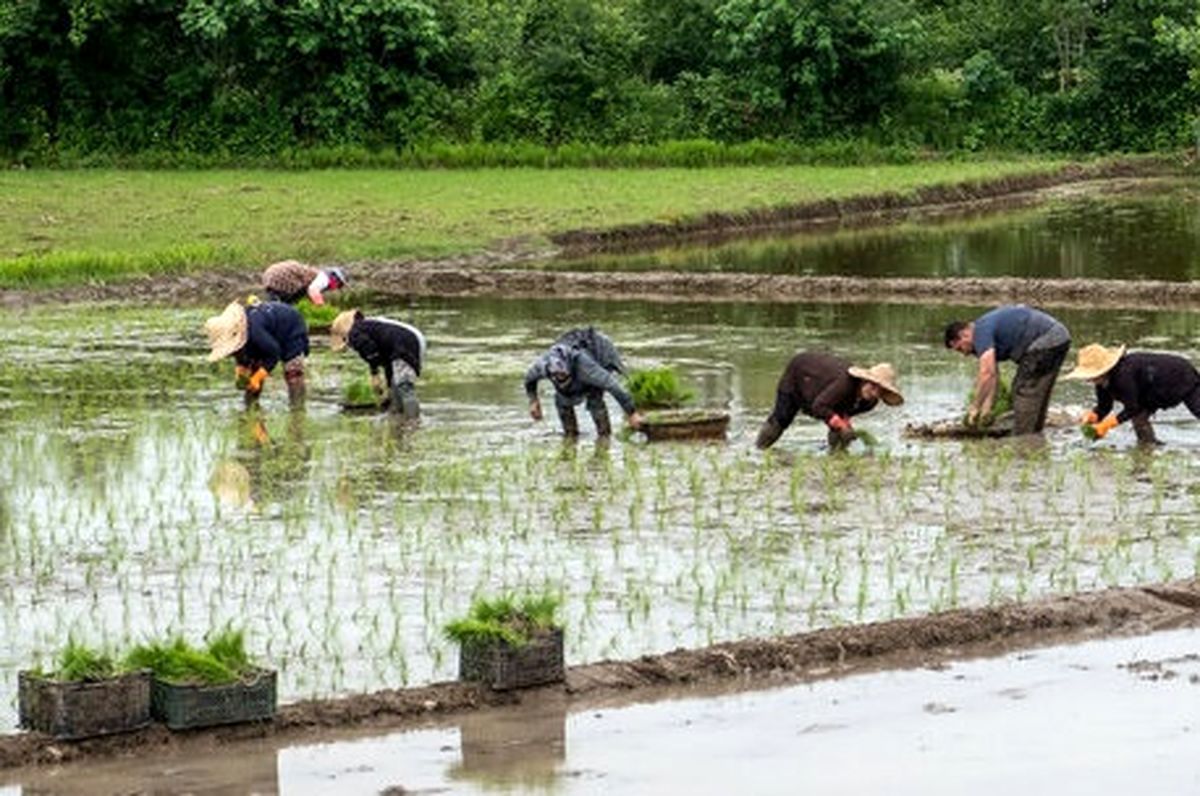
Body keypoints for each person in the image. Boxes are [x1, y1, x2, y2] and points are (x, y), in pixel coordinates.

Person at [944, 304, 1070, 435]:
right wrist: (987, 409)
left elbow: (986, 373)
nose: (964, 354)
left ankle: (1023, 440)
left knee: (1023, 390)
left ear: (964, 334)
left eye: (960, 348)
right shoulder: (984, 329)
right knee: (1037, 390)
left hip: (1046, 340)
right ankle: (1035, 435)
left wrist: (975, 407)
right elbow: (993, 375)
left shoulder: (981, 332)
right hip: (1060, 338)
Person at [754, 352, 904, 450]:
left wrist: (845, 424)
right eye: (873, 386)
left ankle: (836, 459)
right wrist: (841, 424)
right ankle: (759, 450)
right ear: (865, 380)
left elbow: (845, 411)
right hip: (799, 375)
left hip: (824, 394)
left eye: (880, 390)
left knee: (841, 430)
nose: (874, 392)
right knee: (782, 419)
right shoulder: (845, 384)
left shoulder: (869, 403)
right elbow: (819, 406)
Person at [1064, 343, 1200, 445]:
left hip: (1180, 376)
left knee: (1197, 410)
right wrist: (1093, 416)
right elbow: (1104, 406)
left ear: (1105, 370)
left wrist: (1106, 425)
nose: (1089, 379)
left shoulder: (1123, 375)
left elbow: (1132, 408)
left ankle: (1148, 445)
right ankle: (1148, 446)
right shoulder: (1101, 382)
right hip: (1149, 388)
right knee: (1139, 418)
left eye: (1092, 375)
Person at [525, 328, 643, 437]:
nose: (560, 377)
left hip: (598, 352)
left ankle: (604, 438)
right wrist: (533, 400)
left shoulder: (584, 367)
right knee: (562, 400)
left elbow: (612, 385)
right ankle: (570, 438)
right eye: (557, 376)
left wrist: (631, 413)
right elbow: (529, 380)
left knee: (595, 399)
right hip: (570, 359)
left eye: (563, 375)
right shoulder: (542, 366)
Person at [205, 300, 310, 404]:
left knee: (293, 373)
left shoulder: (256, 333)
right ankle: (251, 407)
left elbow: (274, 354)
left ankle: (297, 409)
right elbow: (241, 354)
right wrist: (241, 371)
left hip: (291, 329)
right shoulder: (241, 338)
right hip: (268, 333)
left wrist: (257, 377)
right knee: (253, 372)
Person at [330, 309, 426, 419]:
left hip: (406, 344)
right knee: (395, 385)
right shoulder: (369, 327)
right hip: (413, 339)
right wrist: (387, 385)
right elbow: (386, 361)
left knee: (405, 386)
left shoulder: (355, 332)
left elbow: (371, 351)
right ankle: (397, 418)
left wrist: (375, 375)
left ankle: (413, 422)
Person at [261, 260, 348, 305]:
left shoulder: (313, 274)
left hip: (269, 275)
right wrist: (321, 307)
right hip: (280, 277)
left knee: (280, 304)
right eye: (338, 285)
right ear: (334, 279)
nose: (336, 288)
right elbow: (313, 290)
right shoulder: (324, 278)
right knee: (284, 304)